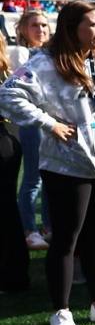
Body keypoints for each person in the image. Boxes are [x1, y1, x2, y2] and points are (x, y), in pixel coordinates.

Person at [0, 2, 95, 325]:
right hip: (65, 165)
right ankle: (60, 310)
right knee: (66, 238)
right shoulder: (46, 63)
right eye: (91, 25)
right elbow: (8, 93)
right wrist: (48, 123)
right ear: (71, 27)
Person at [14, 9, 51, 249]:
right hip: (32, 122)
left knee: (51, 176)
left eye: (44, 25)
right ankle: (29, 229)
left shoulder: (53, 53)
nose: (41, 30)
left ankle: (48, 225)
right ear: (24, 30)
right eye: (35, 25)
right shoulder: (20, 54)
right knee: (33, 178)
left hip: (53, 120)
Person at [0, 31, 29, 292]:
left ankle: (14, 273)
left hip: (4, 141)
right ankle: (16, 272)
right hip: (10, 139)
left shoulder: (12, 68)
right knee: (7, 208)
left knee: (6, 209)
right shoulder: (9, 68)